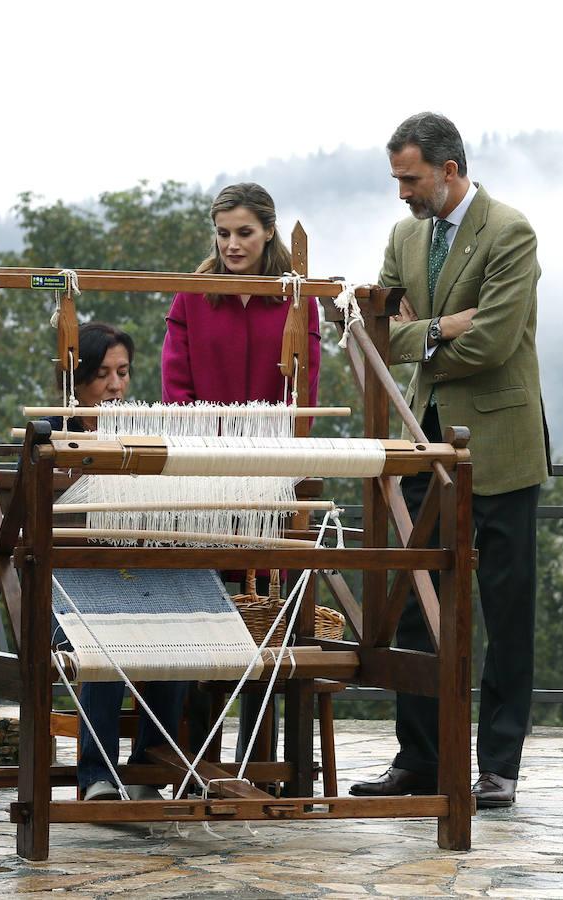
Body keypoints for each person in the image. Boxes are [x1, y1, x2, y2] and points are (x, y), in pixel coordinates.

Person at [349, 113, 550, 808]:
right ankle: (421, 761)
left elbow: (492, 342)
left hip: (501, 449)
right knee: (412, 608)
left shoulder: (510, 231)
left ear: (449, 170)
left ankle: (498, 767)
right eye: (396, 178)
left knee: (503, 611)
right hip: (422, 444)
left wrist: (414, 335)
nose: (400, 192)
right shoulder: (405, 235)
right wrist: (437, 329)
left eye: (409, 178)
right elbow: (372, 329)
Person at [161, 182, 321, 762]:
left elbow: (305, 390)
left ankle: (262, 758)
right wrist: (206, 461)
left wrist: (278, 465)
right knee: (201, 602)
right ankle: (192, 754)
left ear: (269, 231)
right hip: (206, 479)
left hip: (272, 478)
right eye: (223, 233)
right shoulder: (192, 299)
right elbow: (176, 392)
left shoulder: (297, 302)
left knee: (270, 613)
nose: (231, 244)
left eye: (243, 233)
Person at [48, 322, 187, 802]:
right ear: (78, 379)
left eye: (123, 373)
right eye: (102, 373)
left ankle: (149, 768)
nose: (114, 386)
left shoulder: (143, 438)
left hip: (132, 580)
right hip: (64, 590)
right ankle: (97, 777)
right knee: (104, 641)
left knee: (183, 639)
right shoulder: (50, 439)